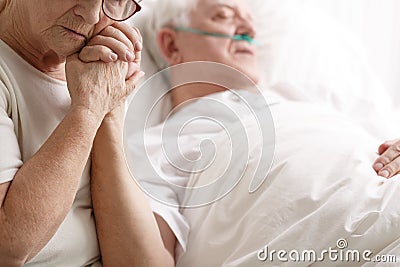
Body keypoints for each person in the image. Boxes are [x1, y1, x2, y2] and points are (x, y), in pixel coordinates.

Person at [127, 0, 400, 265]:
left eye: (250, 20)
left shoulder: (309, 96)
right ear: (172, 44)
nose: (248, 28)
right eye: (223, 15)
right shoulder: (155, 148)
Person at [0, 0, 182, 266]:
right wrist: (87, 111)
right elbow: (8, 245)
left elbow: (143, 262)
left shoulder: (93, 71)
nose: (93, 14)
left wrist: (110, 105)